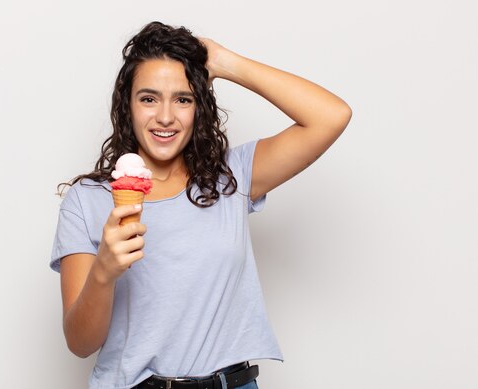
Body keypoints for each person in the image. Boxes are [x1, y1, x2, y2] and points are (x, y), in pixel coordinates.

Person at [50, 21, 351, 389]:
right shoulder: (88, 201)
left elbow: (330, 116)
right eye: (148, 98)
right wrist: (104, 273)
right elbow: (80, 343)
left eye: (183, 98)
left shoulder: (232, 177)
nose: (165, 116)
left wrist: (224, 62)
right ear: (127, 106)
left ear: (199, 107)